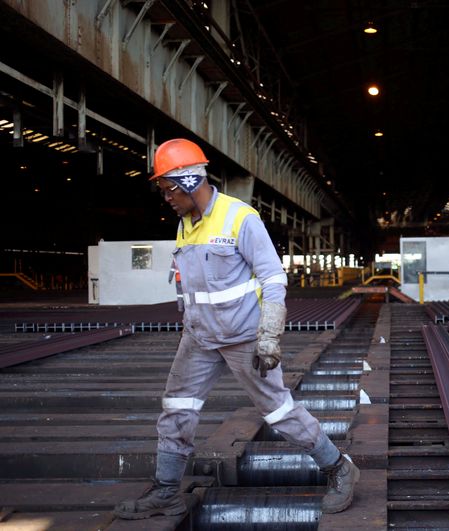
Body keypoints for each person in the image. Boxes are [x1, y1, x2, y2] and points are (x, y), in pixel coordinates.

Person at [114, 138, 359, 519]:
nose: (166, 197)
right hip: (199, 338)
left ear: (190, 181)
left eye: (168, 189)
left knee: (279, 411)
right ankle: (166, 491)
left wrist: (269, 336)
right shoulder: (185, 224)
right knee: (176, 408)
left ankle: (338, 467)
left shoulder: (240, 218)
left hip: (245, 338)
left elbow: (273, 277)